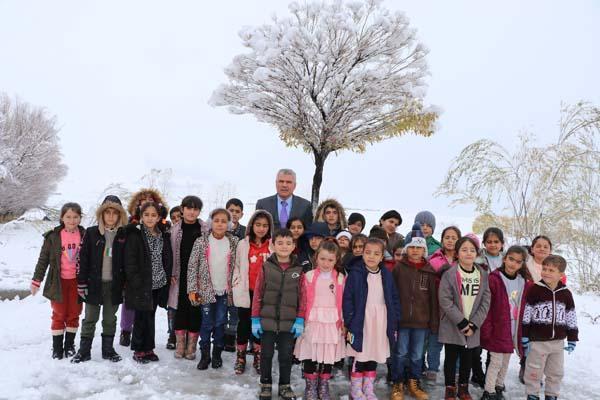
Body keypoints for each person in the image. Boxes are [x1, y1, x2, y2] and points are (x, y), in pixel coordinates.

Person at [343, 238, 401, 400]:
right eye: (368, 252)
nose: (371, 257)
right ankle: (355, 389)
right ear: (362, 254)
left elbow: (394, 298)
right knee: (360, 355)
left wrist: (395, 319)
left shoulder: (386, 275)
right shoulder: (355, 274)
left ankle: (368, 389)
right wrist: (349, 320)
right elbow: (347, 299)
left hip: (380, 321)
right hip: (362, 321)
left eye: (376, 254)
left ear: (382, 256)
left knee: (373, 355)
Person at [72, 196, 127, 363]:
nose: (110, 216)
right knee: (90, 317)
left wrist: (126, 284)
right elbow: (83, 259)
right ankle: (84, 350)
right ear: (102, 215)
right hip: (93, 284)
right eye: (107, 213)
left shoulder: (124, 235)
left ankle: (108, 350)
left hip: (114, 285)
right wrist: (82, 282)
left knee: (110, 319)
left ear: (119, 216)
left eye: (114, 213)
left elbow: (128, 261)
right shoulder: (91, 233)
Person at [251, 229, 305, 400]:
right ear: (273, 245)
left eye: (288, 243)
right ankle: (265, 384)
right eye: (280, 243)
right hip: (267, 319)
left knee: (285, 355)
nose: (284, 246)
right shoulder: (266, 267)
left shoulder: (298, 269)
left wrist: (300, 319)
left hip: (289, 321)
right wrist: (255, 319)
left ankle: (284, 385)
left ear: (293, 246)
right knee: (266, 354)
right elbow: (258, 292)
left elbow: (303, 296)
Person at [438, 236, 491, 400]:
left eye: (472, 250)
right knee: (451, 358)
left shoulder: (482, 274)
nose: (468, 253)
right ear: (457, 253)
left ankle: (463, 388)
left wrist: (474, 324)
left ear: (477, 253)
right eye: (464, 250)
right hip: (454, 324)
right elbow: (445, 300)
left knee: (468, 359)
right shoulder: (450, 273)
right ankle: (450, 388)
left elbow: (486, 300)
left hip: (473, 326)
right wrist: (461, 322)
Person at [31, 202, 85, 359]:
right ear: (62, 218)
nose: (72, 220)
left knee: (74, 313)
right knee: (59, 313)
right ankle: (56, 348)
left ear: (80, 218)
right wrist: (36, 281)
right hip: (58, 282)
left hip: (77, 282)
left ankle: (69, 346)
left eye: (76, 217)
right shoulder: (53, 237)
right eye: (68, 216)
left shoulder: (85, 235)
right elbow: (43, 260)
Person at [187, 208, 239, 370]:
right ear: (211, 222)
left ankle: (217, 354)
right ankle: (205, 355)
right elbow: (192, 267)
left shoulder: (233, 242)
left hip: (224, 292)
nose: (220, 224)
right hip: (206, 291)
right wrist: (192, 289)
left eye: (224, 221)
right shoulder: (201, 242)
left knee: (220, 323)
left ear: (229, 224)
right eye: (217, 220)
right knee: (207, 324)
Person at [294, 240, 346, 400]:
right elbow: (302, 300)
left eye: (330, 260)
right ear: (316, 258)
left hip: (332, 323)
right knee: (311, 353)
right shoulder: (308, 276)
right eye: (323, 259)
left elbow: (344, 302)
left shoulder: (340, 278)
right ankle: (310, 385)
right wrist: (300, 320)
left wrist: (343, 323)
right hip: (313, 321)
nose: (326, 263)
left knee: (327, 355)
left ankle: (323, 385)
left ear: (336, 260)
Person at [480, 246, 533, 400]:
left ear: (522, 264)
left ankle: (498, 386)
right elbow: (487, 307)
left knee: (505, 362)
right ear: (504, 258)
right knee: (495, 362)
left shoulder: (523, 282)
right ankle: (488, 391)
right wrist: (487, 328)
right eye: (511, 259)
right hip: (497, 328)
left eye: (518, 261)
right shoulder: (494, 279)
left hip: (513, 329)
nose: (513, 264)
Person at [521, 255, 578, 400]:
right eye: (544, 269)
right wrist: (525, 335)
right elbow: (527, 313)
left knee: (556, 372)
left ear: (561, 275)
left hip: (557, 342)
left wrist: (572, 338)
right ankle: (532, 394)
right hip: (537, 341)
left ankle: (551, 395)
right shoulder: (535, 290)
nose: (546, 272)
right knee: (534, 370)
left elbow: (571, 316)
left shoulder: (566, 294)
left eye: (551, 270)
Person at [390, 230, 438, 400]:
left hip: (421, 322)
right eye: (412, 247)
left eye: (419, 247)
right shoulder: (398, 268)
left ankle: (414, 382)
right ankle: (397, 382)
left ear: (424, 250)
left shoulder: (429, 271)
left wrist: (433, 322)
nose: (415, 251)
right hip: (401, 321)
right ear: (407, 249)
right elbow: (391, 295)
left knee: (417, 354)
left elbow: (433, 299)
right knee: (401, 353)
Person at [124, 201, 173, 363]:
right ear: (141, 216)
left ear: (159, 217)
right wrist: (135, 280)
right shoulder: (136, 234)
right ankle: (139, 349)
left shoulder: (162, 234)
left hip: (158, 282)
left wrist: (166, 276)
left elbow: (165, 256)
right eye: (146, 215)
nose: (150, 218)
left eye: (153, 215)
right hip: (141, 283)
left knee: (150, 316)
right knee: (140, 317)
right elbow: (130, 261)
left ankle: (149, 348)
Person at [231, 210, 274, 375]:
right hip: (246, 291)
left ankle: (258, 356)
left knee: (260, 326)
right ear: (251, 225)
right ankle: (240, 357)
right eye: (258, 224)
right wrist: (236, 282)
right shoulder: (243, 244)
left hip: (264, 293)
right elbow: (236, 266)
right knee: (244, 324)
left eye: (265, 225)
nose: (261, 228)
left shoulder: (272, 245)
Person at [167, 196, 206, 360]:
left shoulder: (204, 228)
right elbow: (169, 253)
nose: (192, 212)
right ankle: (180, 344)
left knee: (195, 309)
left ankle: (191, 346)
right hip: (180, 276)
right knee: (180, 309)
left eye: (195, 209)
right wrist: (171, 273)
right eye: (188, 208)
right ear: (182, 209)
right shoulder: (175, 229)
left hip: (198, 278)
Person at [423, 226, 461, 381]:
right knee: (435, 340)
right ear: (442, 239)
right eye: (447, 237)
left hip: (457, 308)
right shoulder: (434, 259)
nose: (450, 240)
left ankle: (456, 370)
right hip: (437, 307)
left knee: (456, 341)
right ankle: (432, 368)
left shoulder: (463, 259)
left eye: (454, 237)